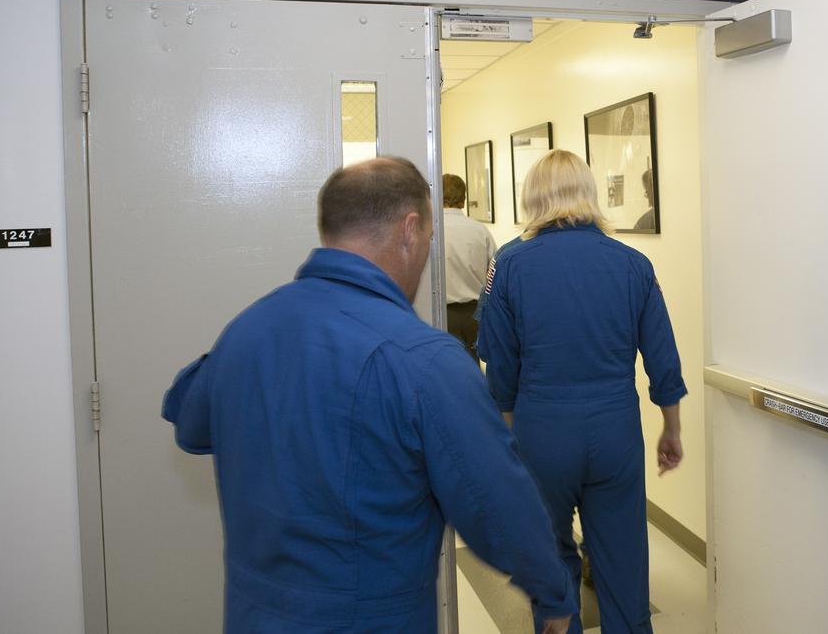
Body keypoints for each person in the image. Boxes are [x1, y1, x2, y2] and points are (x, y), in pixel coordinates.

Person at [162, 157, 574, 634]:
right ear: (410, 230)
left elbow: (188, 421)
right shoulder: (426, 360)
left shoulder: (248, 328)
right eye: (428, 240)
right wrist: (552, 594)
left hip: (254, 616)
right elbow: (499, 510)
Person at [478, 149, 686, 634]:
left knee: (550, 564)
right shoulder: (635, 264)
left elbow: (500, 367)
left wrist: (507, 440)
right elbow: (663, 359)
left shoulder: (507, 264)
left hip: (542, 432)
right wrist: (671, 429)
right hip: (615, 430)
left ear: (532, 197)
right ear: (589, 194)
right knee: (624, 563)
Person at [442, 172, 496, 361]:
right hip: (476, 315)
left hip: (443, 314)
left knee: (447, 369)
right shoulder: (480, 231)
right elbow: (494, 275)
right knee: (474, 369)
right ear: (463, 200)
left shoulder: (431, 230)